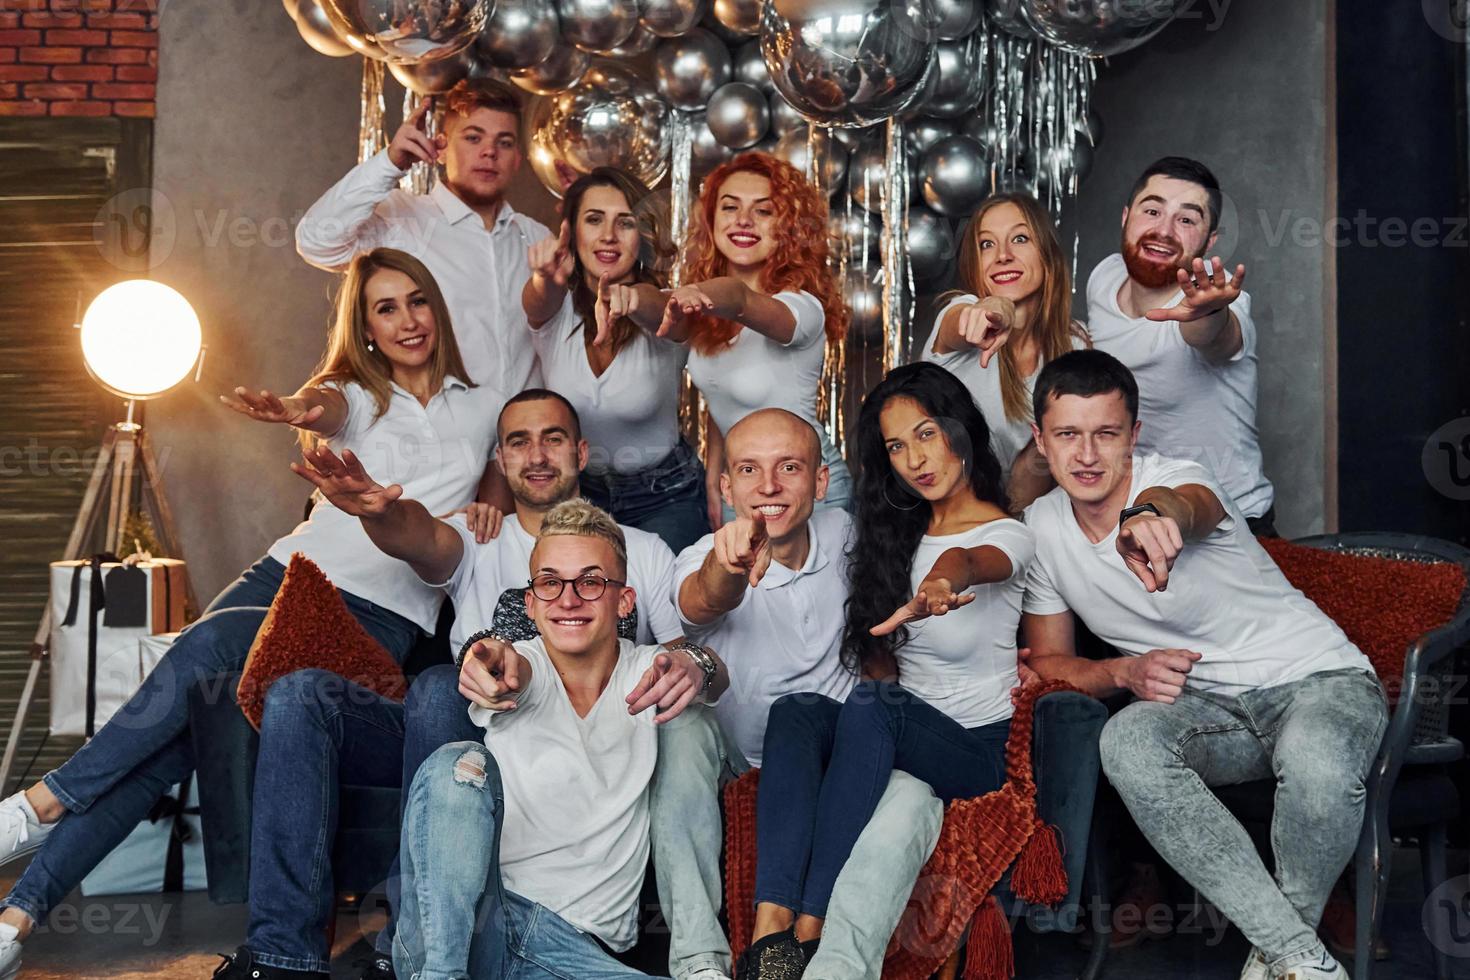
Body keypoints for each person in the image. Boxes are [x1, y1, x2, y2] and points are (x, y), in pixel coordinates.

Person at [0, 248, 501, 980]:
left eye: (416, 301)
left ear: (438, 307)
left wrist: (492, 495)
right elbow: (320, 405)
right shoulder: (355, 392)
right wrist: (299, 410)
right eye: (384, 309)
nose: (406, 320)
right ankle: (16, 919)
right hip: (280, 572)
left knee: (204, 652)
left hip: (373, 616)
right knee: (168, 747)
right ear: (364, 329)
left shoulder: (483, 403)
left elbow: (501, 477)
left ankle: (44, 801)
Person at [1020, 349, 1387, 980]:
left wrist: (1152, 516)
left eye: (1106, 434)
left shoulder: (1182, 477)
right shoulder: (1040, 529)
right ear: (1040, 440)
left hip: (1320, 681)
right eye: (1068, 435)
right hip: (1212, 712)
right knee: (1126, 740)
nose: (1086, 456)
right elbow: (1052, 659)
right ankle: (1297, 955)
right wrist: (1124, 672)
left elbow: (1189, 504)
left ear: (1133, 436)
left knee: (1318, 763)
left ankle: (1282, 958)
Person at [304, 388, 686, 972]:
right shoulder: (480, 539)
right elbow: (420, 538)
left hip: (590, 761)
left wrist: (698, 664)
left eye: (552, 438)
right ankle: (415, 933)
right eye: (518, 441)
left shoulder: (642, 557)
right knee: (439, 708)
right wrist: (379, 513)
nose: (536, 454)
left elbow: (692, 652)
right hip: (476, 735)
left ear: (581, 452)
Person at [740, 363, 1034, 978]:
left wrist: (942, 581)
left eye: (926, 434)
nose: (914, 459)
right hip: (898, 735)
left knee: (875, 705)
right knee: (796, 710)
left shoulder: (1010, 533)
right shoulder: (891, 533)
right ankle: (771, 935)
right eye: (896, 446)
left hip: (973, 749)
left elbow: (974, 559)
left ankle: (811, 931)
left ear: (961, 429)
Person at [655, 407, 944, 980]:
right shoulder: (701, 556)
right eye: (748, 470)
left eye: (788, 467)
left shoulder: (849, 536)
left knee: (916, 793)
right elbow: (702, 600)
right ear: (726, 485)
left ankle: (827, 965)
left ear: (819, 481)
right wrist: (729, 564)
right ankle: (699, 962)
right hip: (739, 758)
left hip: (836, 753)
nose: (767, 487)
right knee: (680, 731)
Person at [392, 498, 731, 980]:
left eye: (591, 582)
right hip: (474, 928)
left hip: (572, 951)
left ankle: (700, 965)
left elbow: (719, 680)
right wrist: (485, 657)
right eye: (550, 583)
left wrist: (697, 664)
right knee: (458, 763)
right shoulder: (519, 668)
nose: (568, 599)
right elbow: (508, 667)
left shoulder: (647, 673)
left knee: (691, 720)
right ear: (530, 603)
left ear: (625, 599)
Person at [297, 77, 550, 396]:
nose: (489, 152)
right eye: (473, 137)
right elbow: (316, 242)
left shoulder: (539, 239)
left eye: (505, 142)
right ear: (441, 148)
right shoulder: (400, 219)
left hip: (525, 439)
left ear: (518, 160)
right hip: (438, 437)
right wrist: (390, 163)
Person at [655, 152, 852, 526]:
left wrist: (696, 291)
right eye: (730, 207)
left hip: (808, 484)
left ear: (788, 227)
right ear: (712, 219)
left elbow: (742, 300)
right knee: (749, 584)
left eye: (763, 211)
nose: (743, 220)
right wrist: (715, 476)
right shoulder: (708, 313)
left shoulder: (800, 307)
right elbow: (722, 394)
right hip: (744, 484)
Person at [1084, 156, 1276, 533]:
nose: (1164, 230)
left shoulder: (1224, 302)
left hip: (1231, 522)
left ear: (1209, 241)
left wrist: (1206, 314)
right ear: (1126, 217)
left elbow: (1216, 336)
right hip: (1135, 517)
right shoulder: (1104, 278)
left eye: (1187, 219)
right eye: (1152, 210)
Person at [521, 167, 707, 552]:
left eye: (625, 223)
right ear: (571, 232)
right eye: (594, 220)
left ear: (643, 235)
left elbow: (667, 311)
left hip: (665, 496)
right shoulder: (557, 308)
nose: (608, 235)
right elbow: (537, 302)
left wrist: (635, 298)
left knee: (660, 608)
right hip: (577, 494)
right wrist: (544, 277)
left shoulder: (668, 305)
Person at [923, 191, 1091, 511]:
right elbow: (969, 319)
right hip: (944, 520)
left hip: (1021, 520)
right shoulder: (960, 312)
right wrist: (994, 309)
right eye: (987, 244)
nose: (1002, 255)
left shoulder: (1074, 344)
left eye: (1020, 239)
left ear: (1047, 255)